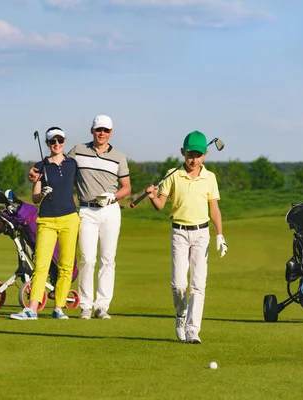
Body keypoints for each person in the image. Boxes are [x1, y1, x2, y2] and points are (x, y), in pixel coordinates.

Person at [29, 115, 131, 319]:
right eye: (98, 129)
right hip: (86, 210)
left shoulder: (119, 156)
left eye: (106, 130)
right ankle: (85, 305)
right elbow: (55, 164)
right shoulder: (77, 151)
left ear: (111, 132)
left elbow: (127, 188)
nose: (102, 133)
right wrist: (35, 173)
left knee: (107, 260)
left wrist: (114, 196)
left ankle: (102, 305)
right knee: (87, 259)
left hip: (110, 210)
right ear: (92, 131)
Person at [144, 130, 227, 344]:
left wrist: (220, 235)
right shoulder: (172, 175)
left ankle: (193, 330)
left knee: (198, 285)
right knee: (179, 285)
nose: (194, 159)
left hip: (202, 233)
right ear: (182, 152)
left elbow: (214, 209)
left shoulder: (210, 177)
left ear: (205, 155)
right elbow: (160, 205)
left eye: (198, 155)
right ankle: (181, 315)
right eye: (190, 154)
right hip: (179, 233)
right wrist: (153, 196)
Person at [10, 127, 80, 320]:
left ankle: (59, 307)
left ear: (64, 141)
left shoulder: (72, 164)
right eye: (52, 141)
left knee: (66, 266)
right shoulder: (40, 166)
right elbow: (34, 198)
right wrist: (42, 193)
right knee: (41, 265)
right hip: (47, 220)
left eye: (60, 140)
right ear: (47, 144)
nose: (57, 144)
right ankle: (32, 309)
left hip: (70, 218)